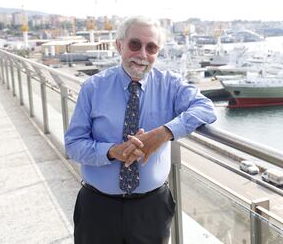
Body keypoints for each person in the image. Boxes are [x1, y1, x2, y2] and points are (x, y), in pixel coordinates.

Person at [65, 15, 217, 244]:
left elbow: (206, 108)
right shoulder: (93, 88)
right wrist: (112, 151)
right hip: (98, 209)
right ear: (119, 45)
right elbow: (73, 144)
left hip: (151, 210)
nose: (143, 55)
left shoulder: (170, 84)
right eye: (135, 44)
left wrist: (163, 133)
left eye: (151, 47)